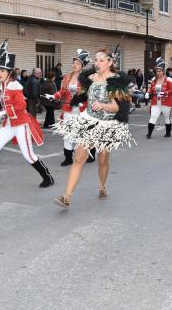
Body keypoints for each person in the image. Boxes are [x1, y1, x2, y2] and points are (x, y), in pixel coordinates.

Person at [52, 48, 133, 208]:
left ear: (110, 62)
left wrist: (103, 105)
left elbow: (119, 108)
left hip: (107, 125)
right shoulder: (89, 78)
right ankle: (66, 197)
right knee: (78, 158)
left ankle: (102, 186)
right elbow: (82, 95)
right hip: (88, 121)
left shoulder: (115, 80)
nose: (97, 63)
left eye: (101, 60)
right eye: (96, 60)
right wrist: (75, 99)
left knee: (103, 159)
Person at [0, 41, 54, 189]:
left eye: (2, 71)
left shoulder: (14, 85)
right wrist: (1, 112)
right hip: (9, 124)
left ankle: (48, 177)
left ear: (9, 73)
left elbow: (21, 105)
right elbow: (5, 103)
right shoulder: (3, 85)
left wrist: (5, 112)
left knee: (28, 155)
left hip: (20, 124)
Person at [43, 49, 91, 166]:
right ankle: (68, 158)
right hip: (69, 110)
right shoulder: (67, 77)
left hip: (81, 110)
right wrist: (53, 96)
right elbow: (62, 91)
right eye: (73, 63)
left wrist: (82, 101)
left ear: (82, 66)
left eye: (77, 63)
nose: (74, 65)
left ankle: (87, 154)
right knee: (67, 134)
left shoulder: (86, 79)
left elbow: (90, 94)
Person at [145, 57, 172, 139]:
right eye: (157, 71)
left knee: (167, 118)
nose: (158, 73)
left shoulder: (169, 79)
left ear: (163, 71)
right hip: (156, 102)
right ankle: (149, 133)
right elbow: (151, 88)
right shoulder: (153, 80)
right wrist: (148, 93)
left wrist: (165, 92)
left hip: (166, 102)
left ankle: (168, 132)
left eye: (160, 71)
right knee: (153, 117)